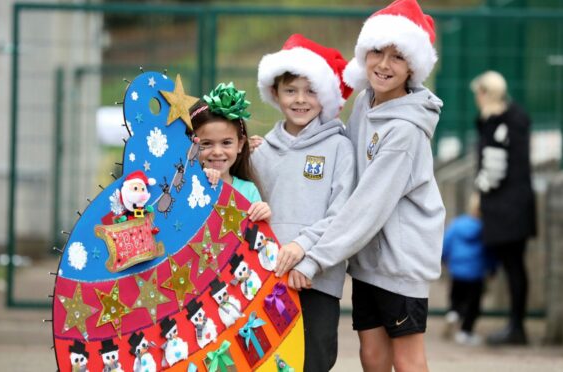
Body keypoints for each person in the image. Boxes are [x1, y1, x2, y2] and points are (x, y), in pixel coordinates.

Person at [275, 1, 446, 370]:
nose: (384, 65)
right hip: (368, 259)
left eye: (397, 57)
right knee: (372, 356)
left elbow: (368, 205)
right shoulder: (367, 102)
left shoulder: (404, 131)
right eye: (377, 53)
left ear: (413, 66)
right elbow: (345, 153)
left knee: (407, 359)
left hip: (401, 261)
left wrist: (316, 258)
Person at [253, 33, 356, 371]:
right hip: (266, 279)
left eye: (311, 91)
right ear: (275, 93)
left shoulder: (340, 148)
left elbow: (342, 214)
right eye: (291, 90)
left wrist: (304, 250)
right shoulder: (260, 152)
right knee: (269, 361)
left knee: (314, 360)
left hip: (317, 279)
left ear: (325, 96)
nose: (300, 100)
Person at [471, 70, 536, 346]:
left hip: (506, 208)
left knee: (511, 266)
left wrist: (478, 193)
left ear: (485, 93)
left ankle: (516, 328)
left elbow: (494, 169)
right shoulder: (515, 118)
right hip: (519, 203)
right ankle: (515, 325)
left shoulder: (497, 122)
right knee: (514, 265)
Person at [189, 82, 271, 222]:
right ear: (191, 145)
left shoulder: (248, 190)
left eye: (226, 143)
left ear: (240, 144)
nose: (217, 152)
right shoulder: (185, 186)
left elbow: (259, 237)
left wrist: (263, 216)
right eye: (206, 143)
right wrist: (200, 181)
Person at [442, 193, 495, 346]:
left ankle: (453, 312)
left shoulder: (457, 224)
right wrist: (491, 269)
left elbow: (446, 243)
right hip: (476, 273)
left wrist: (444, 259)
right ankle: (465, 331)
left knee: (456, 297)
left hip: (457, 270)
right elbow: (490, 252)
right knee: (473, 305)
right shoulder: (486, 229)